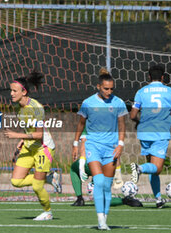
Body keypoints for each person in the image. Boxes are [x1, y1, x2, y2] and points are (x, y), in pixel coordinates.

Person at [72, 68, 128, 230]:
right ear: (98, 86)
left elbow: (122, 125)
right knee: (99, 181)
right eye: (106, 88)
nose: (109, 92)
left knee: (107, 186)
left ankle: (105, 217)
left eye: (111, 89)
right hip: (93, 146)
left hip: (111, 148)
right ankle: (100, 221)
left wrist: (120, 145)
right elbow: (81, 124)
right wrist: (76, 144)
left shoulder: (118, 103)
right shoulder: (88, 103)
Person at [4, 71, 59, 221]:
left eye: (15, 91)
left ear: (24, 92)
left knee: (36, 186)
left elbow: (39, 134)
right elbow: (28, 128)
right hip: (29, 146)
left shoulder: (36, 107)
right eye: (11, 90)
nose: (11, 93)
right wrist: (22, 140)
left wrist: (17, 136)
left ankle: (48, 212)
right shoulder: (18, 107)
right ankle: (49, 178)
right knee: (16, 181)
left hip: (43, 148)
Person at [130, 64, 171, 209]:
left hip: (144, 132)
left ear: (149, 77)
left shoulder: (141, 92)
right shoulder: (170, 92)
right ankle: (139, 168)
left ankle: (158, 199)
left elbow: (132, 115)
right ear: (163, 77)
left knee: (153, 167)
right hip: (160, 132)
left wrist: (140, 121)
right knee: (157, 168)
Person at [71, 130, 124, 206]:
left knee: (73, 168)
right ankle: (126, 200)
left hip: (93, 164)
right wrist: (118, 172)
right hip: (109, 165)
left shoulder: (89, 123)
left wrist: (81, 167)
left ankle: (79, 198)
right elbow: (115, 151)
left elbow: (83, 146)